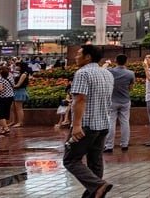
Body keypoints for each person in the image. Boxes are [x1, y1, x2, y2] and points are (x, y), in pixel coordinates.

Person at [63, 44, 114, 198]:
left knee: (71, 160)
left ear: (88, 57)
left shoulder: (82, 73)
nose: (75, 57)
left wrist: (76, 125)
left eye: (79, 54)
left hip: (86, 125)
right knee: (95, 162)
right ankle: (96, 193)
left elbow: (80, 99)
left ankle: (98, 185)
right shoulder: (107, 73)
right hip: (103, 124)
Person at [103, 53, 136, 152]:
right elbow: (131, 87)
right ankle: (124, 144)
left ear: (115, 61)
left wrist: (107, 63)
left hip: (112, 101)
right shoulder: (130, 73)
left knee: (111, 122)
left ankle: (109, 145)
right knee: (125, 122)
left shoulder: (110, 71)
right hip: (125, 100)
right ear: (126, 62)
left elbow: (102, 69)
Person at [0, 65, 16, 135]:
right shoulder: (10, 77)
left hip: (0, 98)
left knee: (0, 113)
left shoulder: (0, 79)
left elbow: (0, 89)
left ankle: (6, 128)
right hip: (9, 97)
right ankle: (3, 128)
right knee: (6, 112)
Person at [10, 60, 30, 127]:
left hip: (20, 91)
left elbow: (18, 85)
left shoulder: (23, 74)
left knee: (19, 108)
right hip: (15, 91)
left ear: (21, 67)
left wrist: (9, 86)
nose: (16, 67)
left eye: (17, 66)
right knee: (13, 108)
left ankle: (20, 122)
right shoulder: (19, 74)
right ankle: (14, 121)